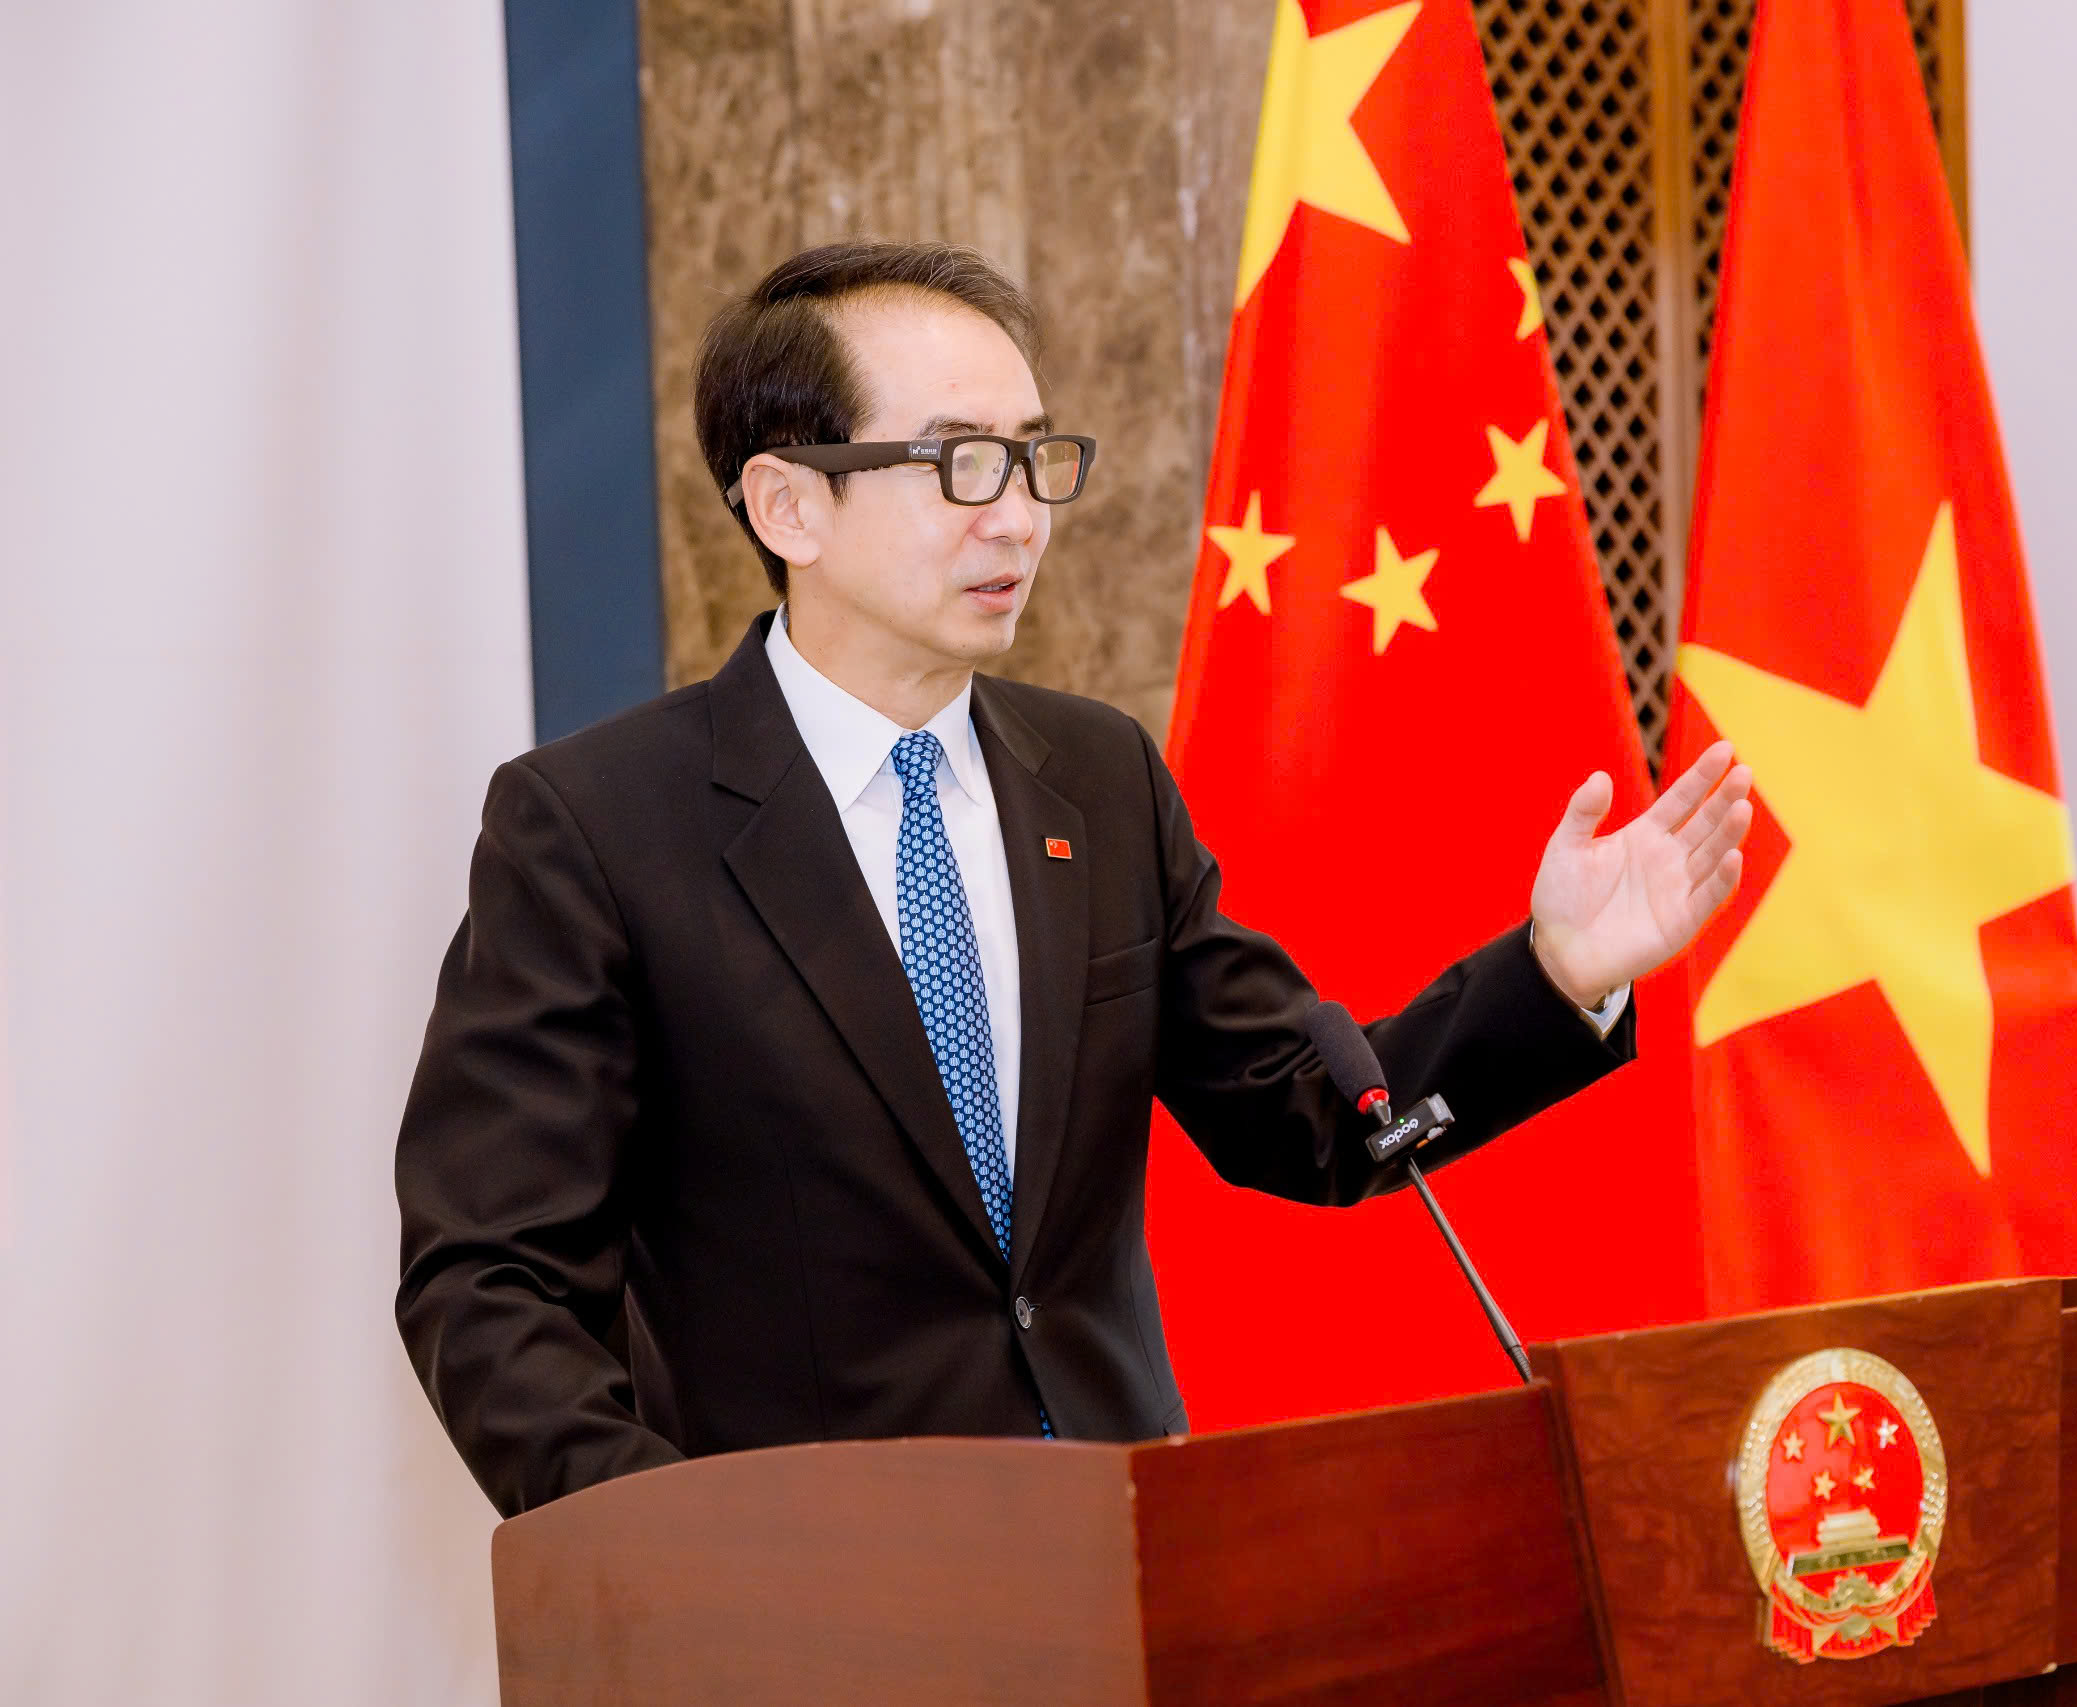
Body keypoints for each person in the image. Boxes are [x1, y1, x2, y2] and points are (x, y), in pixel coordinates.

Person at [394, 241, 1754, 1517]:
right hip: (809, 1599)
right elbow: (488, 1278)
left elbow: (1316, 1119)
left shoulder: (1095, 780)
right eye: (962, 465)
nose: (1020, 518)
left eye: (1035, 458)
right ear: (788, 503)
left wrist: (1558, 975)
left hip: (1125, 1558)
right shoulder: (599, 827)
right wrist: (675, 1553)